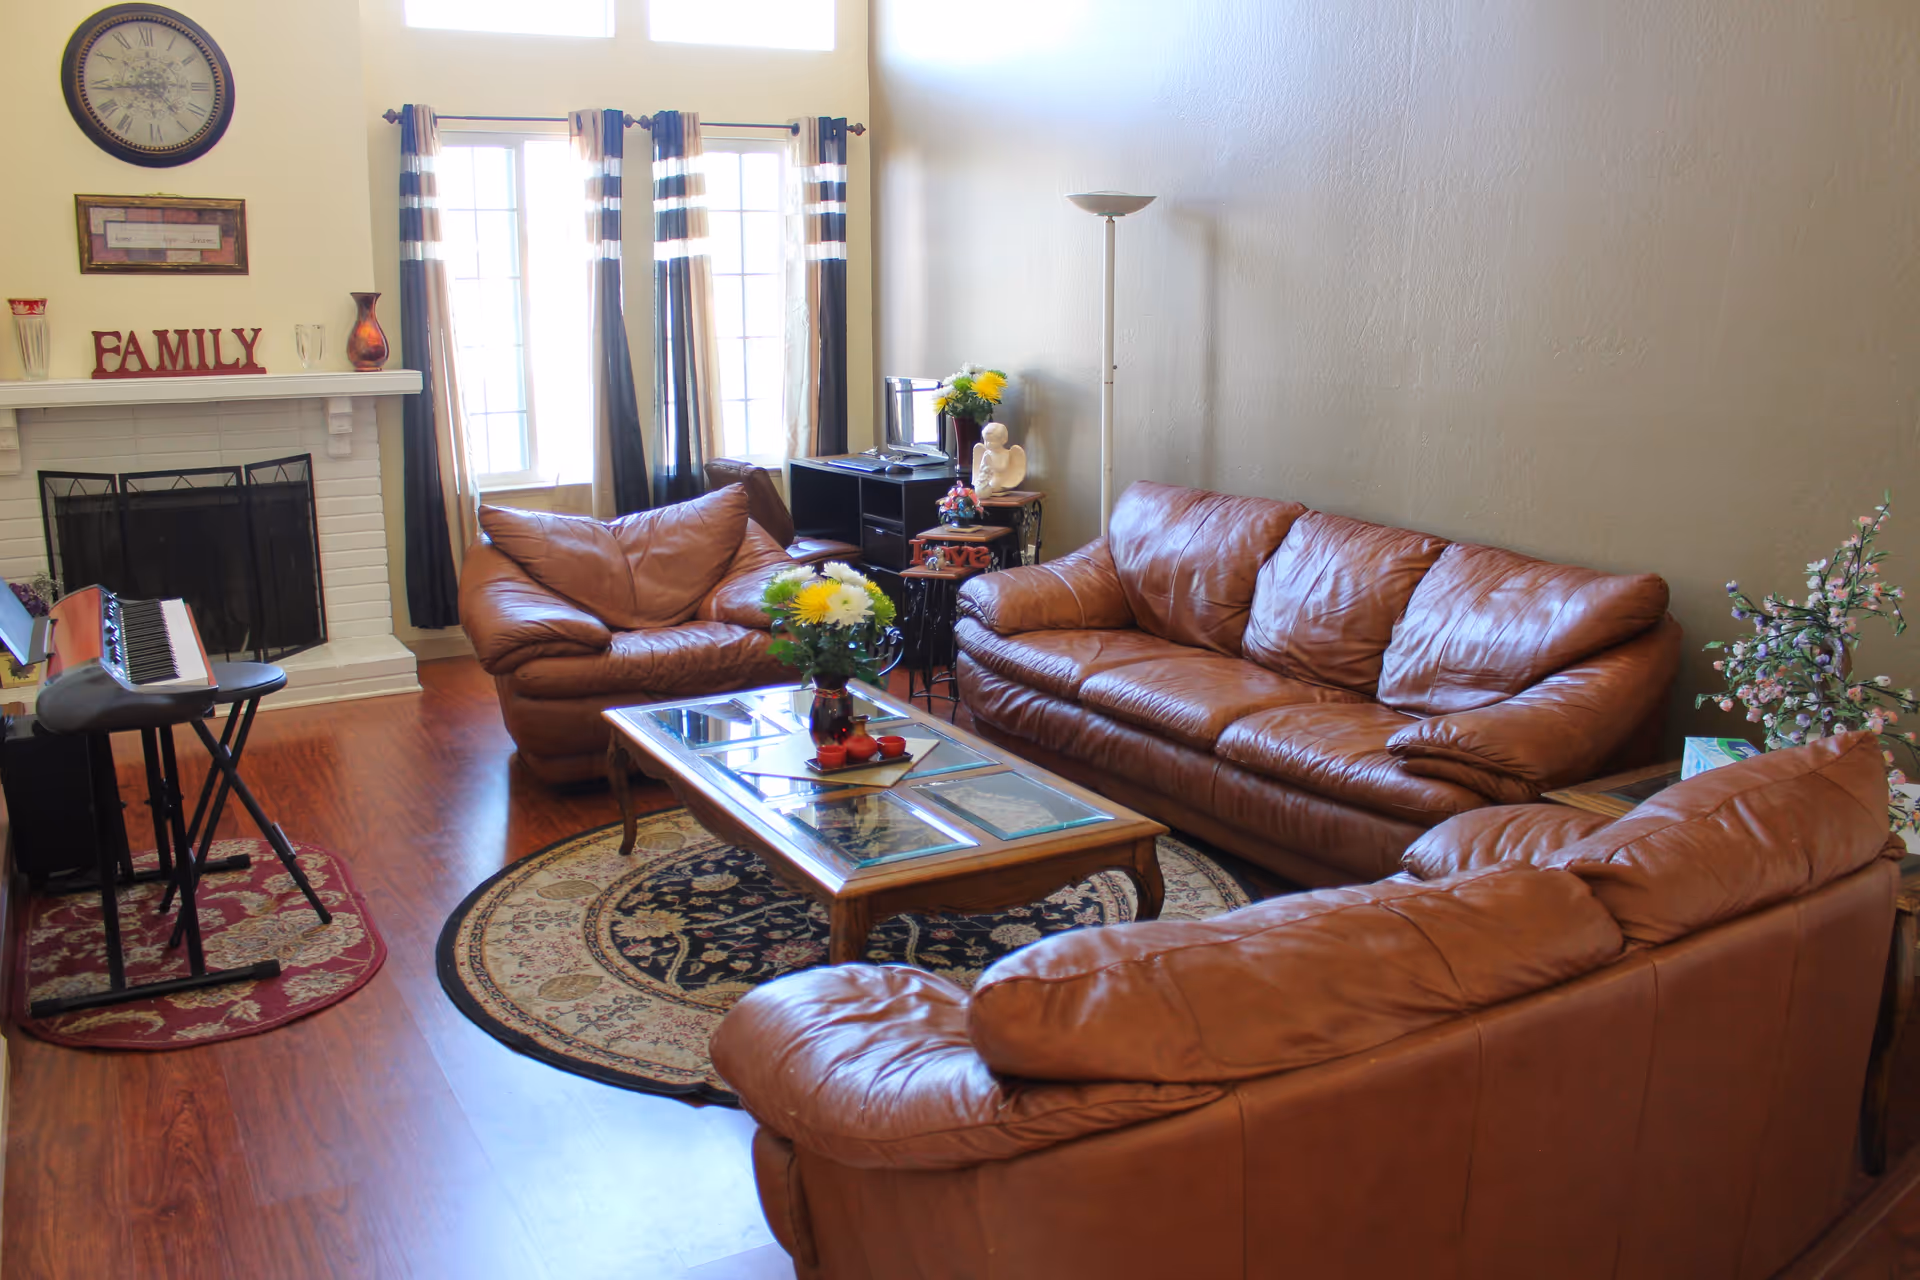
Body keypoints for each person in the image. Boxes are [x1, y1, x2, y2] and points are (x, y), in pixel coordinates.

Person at [970, 422, 1026, 498]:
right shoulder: (986, 453)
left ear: (1003, 440)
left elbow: (1002, 467)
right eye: (986, 441)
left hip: (999, 481)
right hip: (988, 481)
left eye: (992, 441)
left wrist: (991, 465)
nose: (988, 444)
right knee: (982, 487)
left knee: (993, 484)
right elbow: (981, 471)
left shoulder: (1006, 454)